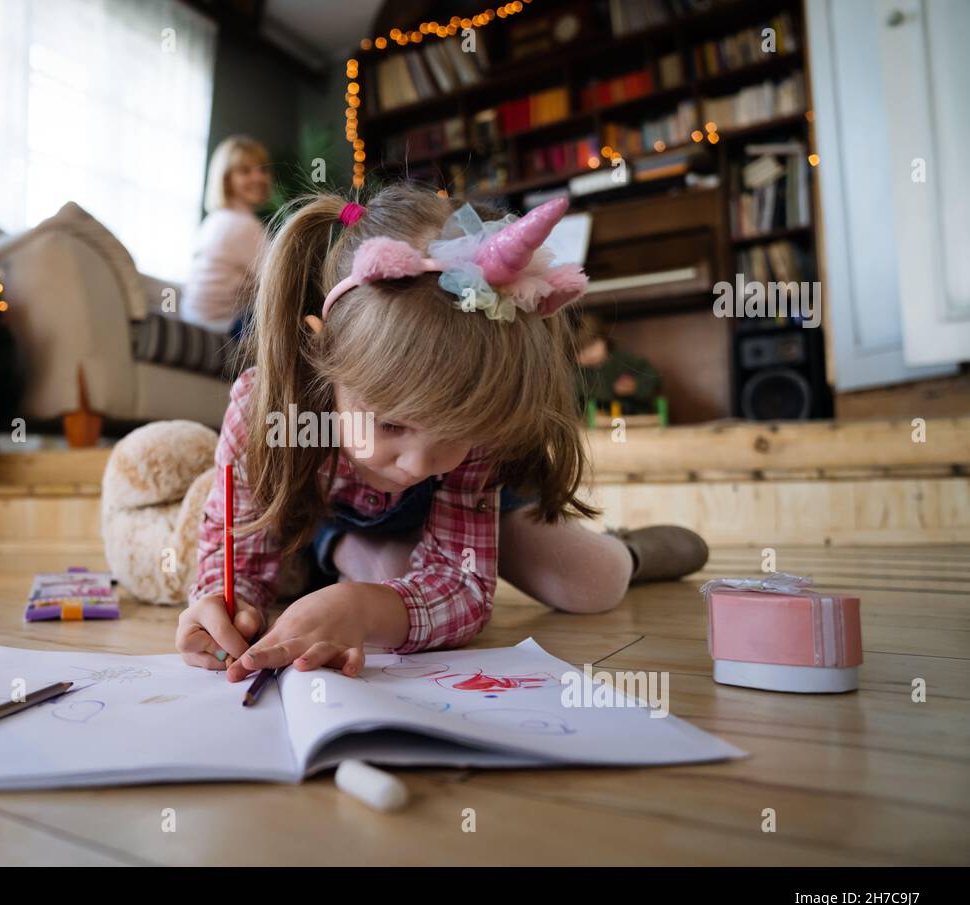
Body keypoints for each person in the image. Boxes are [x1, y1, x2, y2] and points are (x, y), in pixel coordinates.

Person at [175, 182, 708, 680]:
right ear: (323, 353)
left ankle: (631, 553)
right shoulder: (263, 406)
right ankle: (341, 549)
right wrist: (224, 604)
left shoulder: (470, 440)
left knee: (593, 581)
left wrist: (365, 607)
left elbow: (464, 588)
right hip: (335, 514)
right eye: (391, 423)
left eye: (454, 431)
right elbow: (233, 554)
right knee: (391, 570)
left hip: (472, 502)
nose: (417, 462)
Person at [180, 135, 271, 336]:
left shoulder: (214, 219)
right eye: (245, 171)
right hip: (220, 324)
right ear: (226, 179)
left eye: (262, 169)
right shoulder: (244, 225)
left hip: (192, 316)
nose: (259, 177)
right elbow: (275, 280)